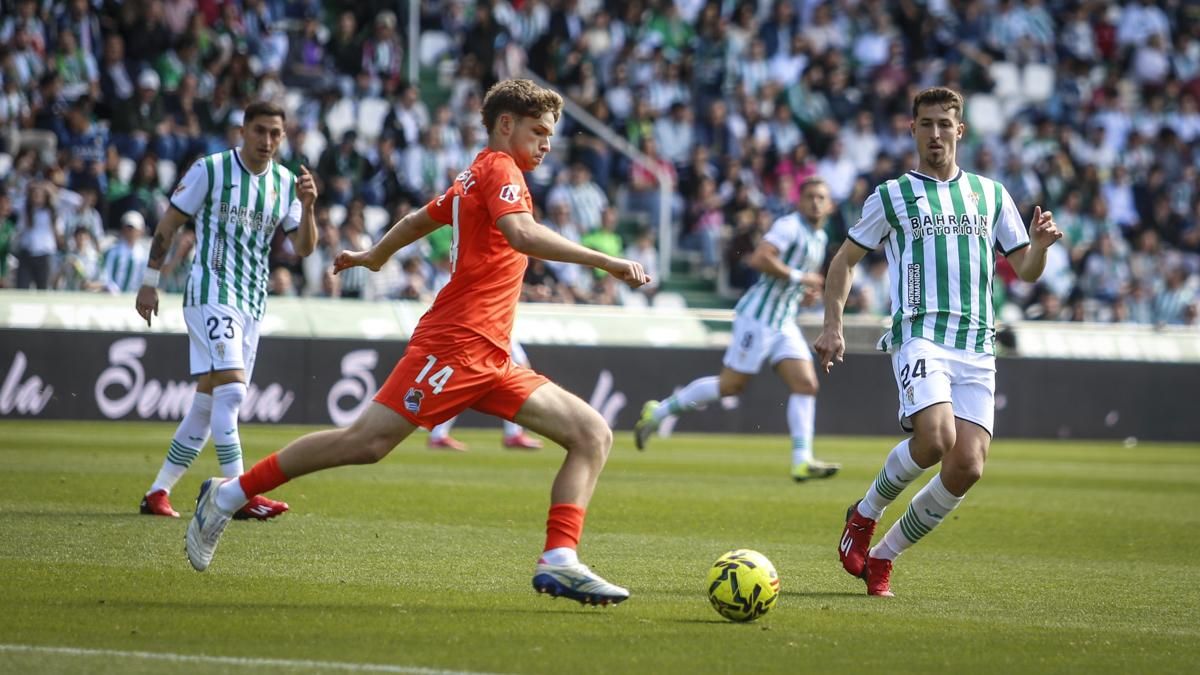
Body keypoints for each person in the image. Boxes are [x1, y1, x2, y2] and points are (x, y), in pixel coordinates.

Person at [184, 79, 650, 607]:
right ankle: (227, 495)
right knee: (365, 443)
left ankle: (560, 560)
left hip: (490, 355)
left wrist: (373, 257)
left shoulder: (476, 173)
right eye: (538, 132)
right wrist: (605, 261)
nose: (546, 144)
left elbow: (418, 219)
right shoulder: (500, 169)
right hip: (454, 346)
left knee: (592, 434)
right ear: (505, 125)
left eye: (551, 135)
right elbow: (522, 235)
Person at [815, 87, 1062, 597]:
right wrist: (832, 325)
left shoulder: (991, 195)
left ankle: (884, 557)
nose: (935, 134)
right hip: (920, 335)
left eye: (944, 125)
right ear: (912, 130)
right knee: (935, 438)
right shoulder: (891, 196)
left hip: (976, 344)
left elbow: (1026, 270)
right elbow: (843, 262)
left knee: (967, 465)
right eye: (925, 124)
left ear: (960, 131)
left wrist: (1037, 247)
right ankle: (864, 514)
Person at [134, 101, 318, 520]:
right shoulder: (210, 169)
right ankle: (240, 494)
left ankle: (157, 491)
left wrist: (308, 207)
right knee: (232, 391)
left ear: (283, 137)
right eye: (259, 131)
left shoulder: (287, 183)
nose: (267, 141)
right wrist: (150, 282)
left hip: (253, 300)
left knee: (208, 403)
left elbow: (303, 248)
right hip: (211, 291)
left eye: (275, 133)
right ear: (242, 130)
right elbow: (168, 225)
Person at [634, 177, 842, 482]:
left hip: (783, 320)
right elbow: (759, 259)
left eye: (821, 197)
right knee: (730, 385)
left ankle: (802, 460)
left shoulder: (819, 237)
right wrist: (800, 278)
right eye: (810, 196)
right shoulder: (789, 226)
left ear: (830, 205)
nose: (815, 202)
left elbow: (791, 282)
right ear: (800, 200)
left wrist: (803, 294)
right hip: (757, 318)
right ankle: (659, 412)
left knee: (806, 384)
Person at [428, 338, 544, 450]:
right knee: (518, 369)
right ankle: (437, 433)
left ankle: (438, 433)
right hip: (490, 329)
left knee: (517, 370)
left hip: (494, 328)